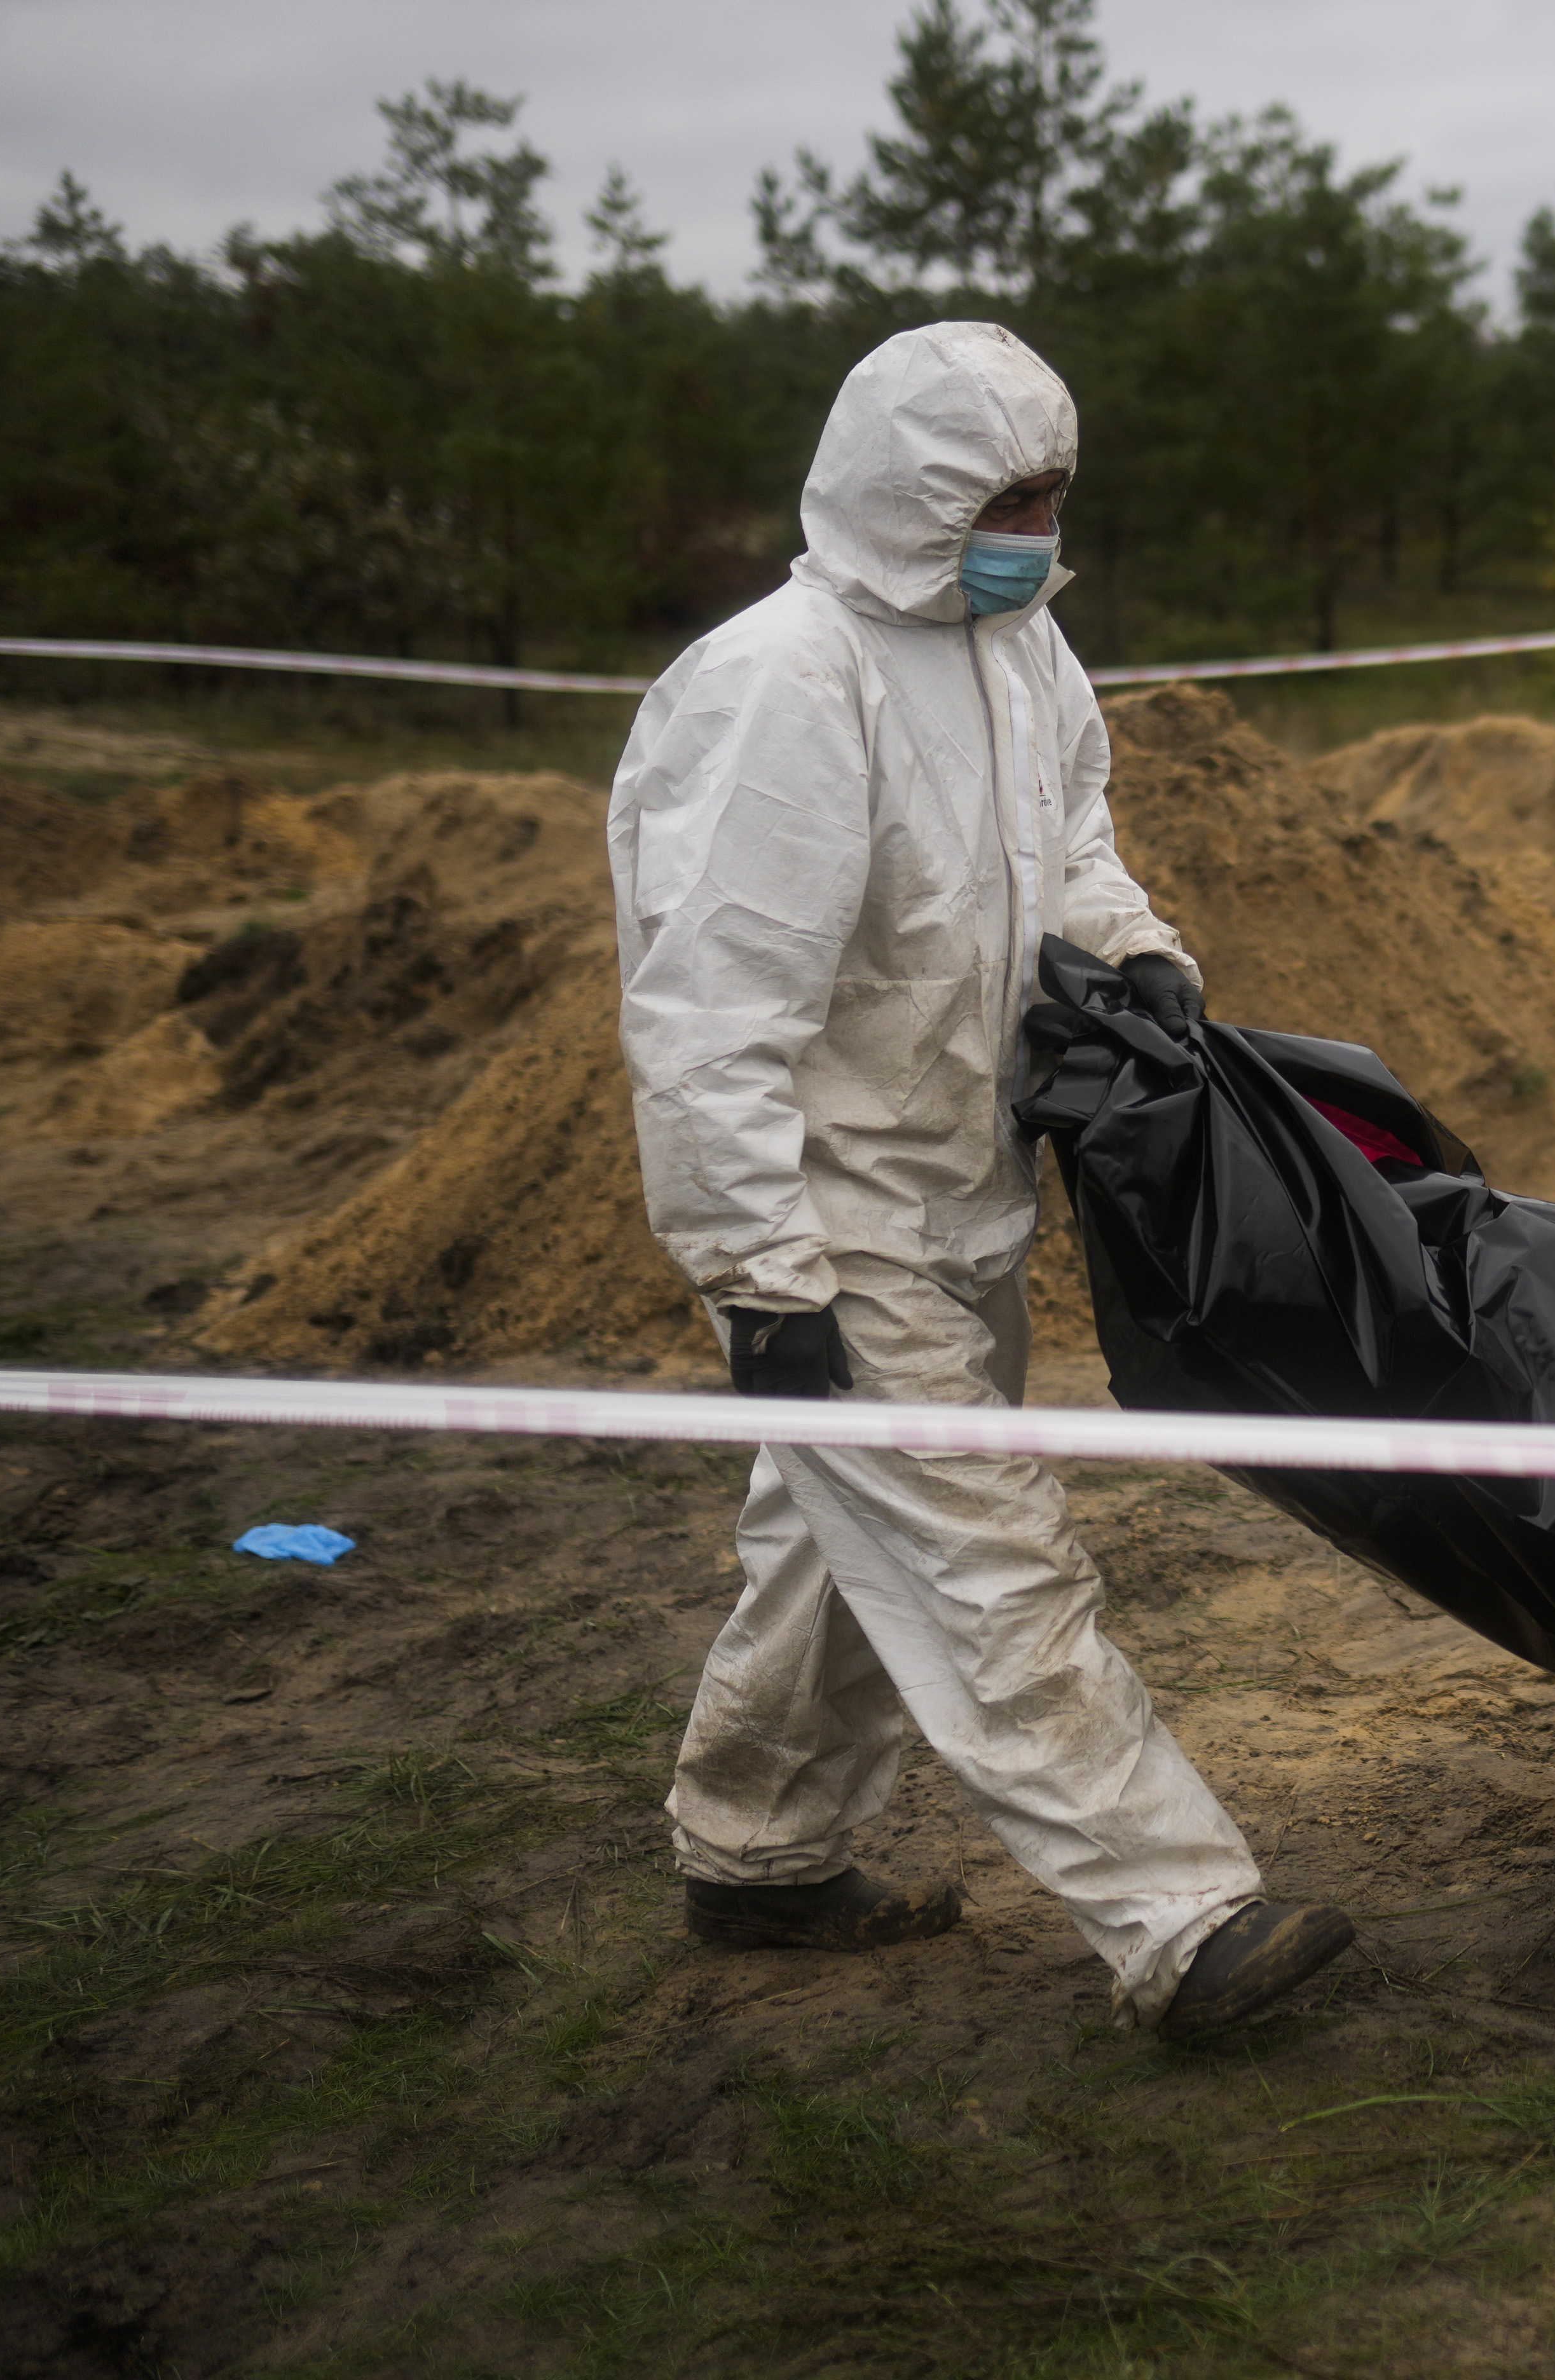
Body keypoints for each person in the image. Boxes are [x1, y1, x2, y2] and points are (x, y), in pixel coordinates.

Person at [607, 320, 1353, 2028]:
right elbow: (712, 1011)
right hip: (834, 1211)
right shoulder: (781, 689)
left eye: (1053, 491)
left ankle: (757, 1856)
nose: (1035, 523)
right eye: (1004, 494)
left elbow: (1067, 830)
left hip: (966, 1188)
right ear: (908, 490)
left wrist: (1134, 946)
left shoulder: (1020, 643)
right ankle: (1182, 1924)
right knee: (987, 1557)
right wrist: (762, 1277)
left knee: (840, 1545)